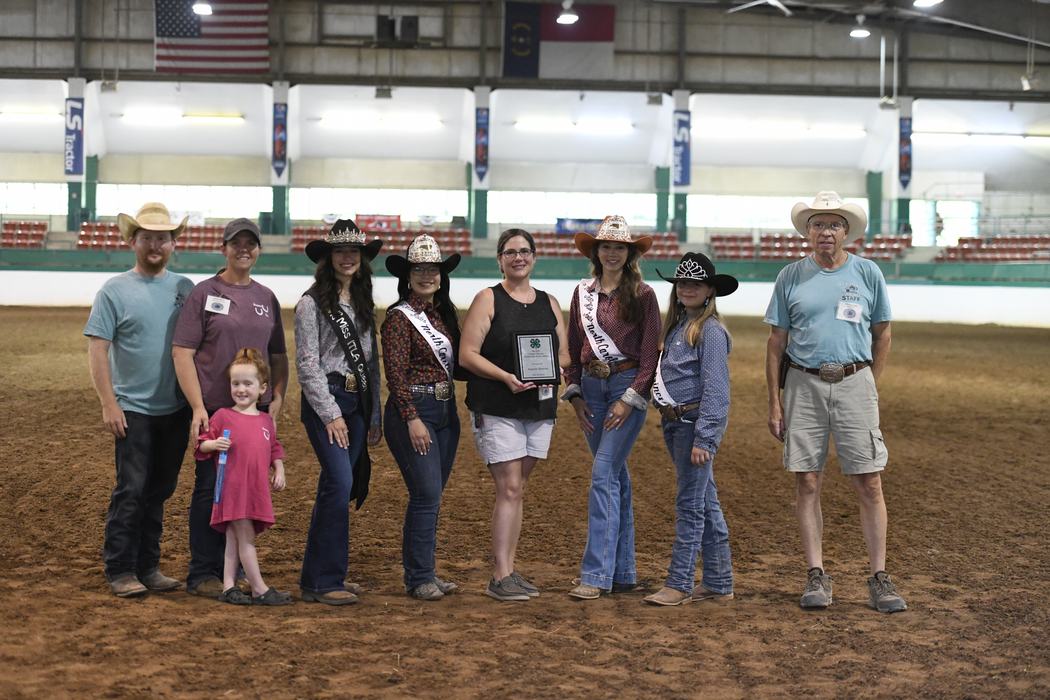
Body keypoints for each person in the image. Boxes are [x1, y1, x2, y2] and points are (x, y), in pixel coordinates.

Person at [765, 191, 907, 614]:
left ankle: (879, 576)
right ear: (807, 232)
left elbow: (882, 332)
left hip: (854, 382)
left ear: (846, 232)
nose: (825, 231)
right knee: (807, 480)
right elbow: (776, 343)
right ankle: (816, 573)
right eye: (818, 224)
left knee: (869, 480)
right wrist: (774, 402)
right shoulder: (790, 276)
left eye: (833, 224)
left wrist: (870, 382)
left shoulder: (868, 273)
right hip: (803, 385)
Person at [173, 217, 289, 598]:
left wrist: (276, 401)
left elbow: (277, 356)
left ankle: (234, 571)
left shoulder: (266, 298)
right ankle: (204, 572)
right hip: (217, 413)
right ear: (223, 248)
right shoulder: (204, 294)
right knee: (211, 489)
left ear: (258, 249)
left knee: (246, 489)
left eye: (250, 243)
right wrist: (197, 407)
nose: (244, 249)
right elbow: (183, 352)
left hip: (253, 415)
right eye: (236, 243)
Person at [85, 202, 194, 598]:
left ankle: (148, 565)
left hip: (175, 409)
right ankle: (120, 568)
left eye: (162, 238)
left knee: (160, 490)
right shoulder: (114, 290)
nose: (155, 245)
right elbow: (98, 349)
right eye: (147, 237)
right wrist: (108, 403)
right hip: (133, 410)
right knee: (131, 489)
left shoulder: (186, 289)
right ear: (133, 240)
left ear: (172, 243)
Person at [460, 228, 569, 602]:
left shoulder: (550, 303)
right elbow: (468, 354)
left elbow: (564, 357)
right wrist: (506, 376)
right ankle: (500, 574)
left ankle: (509, 567)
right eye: (510, 252)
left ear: (534, 257)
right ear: (500, 259)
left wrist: (552, 373)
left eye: (524, 251)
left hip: (537, 406)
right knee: (508, 487)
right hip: (497, 404)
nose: (518, 257)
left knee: (517, 489)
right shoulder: (488, 299)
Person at [562, 215, 661, 601]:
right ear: (597, 252)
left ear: (630, 253)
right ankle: (623, 571)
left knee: (602, 474)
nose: (613, 253)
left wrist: (630, 397)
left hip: (624, 385)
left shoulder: (644, 295)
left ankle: (596, 574)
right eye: (606, 246)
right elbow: (571, 345)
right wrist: (573, 392)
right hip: (591, 387)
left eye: (620, 247)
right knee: (615, 477)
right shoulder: (581, 294)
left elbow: (651, 355)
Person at [296, 220, 383, 605]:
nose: (348, 258)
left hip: (358, 402)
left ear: (362, 258)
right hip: (327, 401)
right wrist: (330, 414)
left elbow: (370, 361)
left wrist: (374, 412)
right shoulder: (310, 303)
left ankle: (321, 576)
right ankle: (325, 579)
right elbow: (307, 363)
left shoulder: (363, 303)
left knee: (336, 487)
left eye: (354, 252)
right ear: (329, 258)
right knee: (339, 481)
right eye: (340, 251)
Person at [643, 253, 737, 606]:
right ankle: (718, 580)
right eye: (682, 283)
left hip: (691, 426)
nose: (686, 289)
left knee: (690, 506)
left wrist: (706, 437)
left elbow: (716, 388)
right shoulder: (681, 326)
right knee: (704, 502)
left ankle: (680, 582)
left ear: (710, 290)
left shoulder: (709, 331)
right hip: (676, 424)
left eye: (695, 284)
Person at [381, 235, 463, 601]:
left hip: (446, 412)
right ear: (409, 274)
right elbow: (395, 374)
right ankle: (418, 577)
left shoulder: (444, 315)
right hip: (414, 410)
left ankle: (425, 571)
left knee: (431, 495)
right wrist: (411, 417)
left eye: (433, 269)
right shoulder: (399, 318)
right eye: (420, 269)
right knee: (426, 493)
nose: (427, 275)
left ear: (442, 275)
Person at [196, 348, 290, 606]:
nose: (241, 389)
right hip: (232, 489)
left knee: (234, 539)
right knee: (245, 536)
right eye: (235, 383)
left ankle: (228, 586)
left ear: (262, 388)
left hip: (255, 488)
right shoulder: (223, 416)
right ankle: (259, 588)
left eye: (248, 384)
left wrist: (279, 469)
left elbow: (274, 449)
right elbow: (201, 445)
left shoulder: (265, 421)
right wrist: (213, 445)